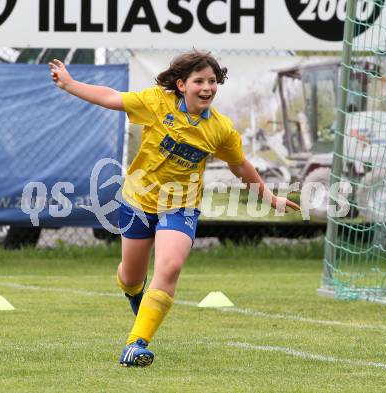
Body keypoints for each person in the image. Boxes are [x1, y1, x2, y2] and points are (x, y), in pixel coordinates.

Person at [49, 50, 300, 368]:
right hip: (138, 201)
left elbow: (240, 166)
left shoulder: (220, 128)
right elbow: (113, 98)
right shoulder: (157, 102)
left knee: (169, 268)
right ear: (181, 84)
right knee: (130, 278)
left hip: (180, 205)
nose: (207, 87)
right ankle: (136, 297)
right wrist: (71, 84)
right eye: (199, 81)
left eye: (212, 81)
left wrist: (269, 197)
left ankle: (136, 344)